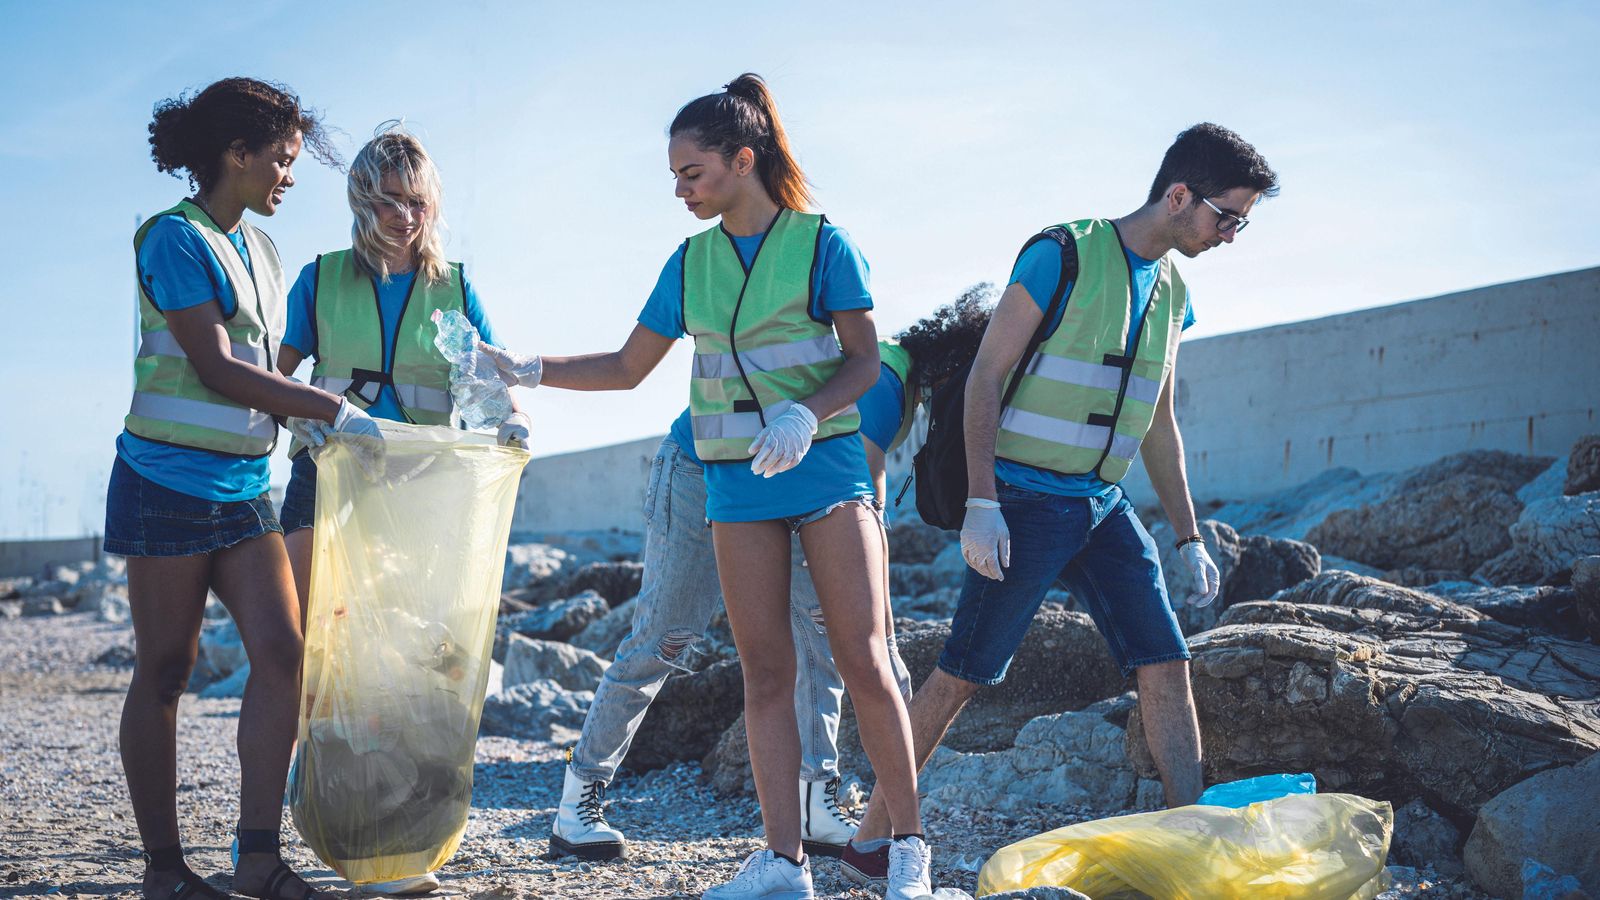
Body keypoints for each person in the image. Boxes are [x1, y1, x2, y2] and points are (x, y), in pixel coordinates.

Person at [483, 73, 933, 900]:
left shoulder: (825, 242)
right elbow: (626, 368)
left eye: (692, 173)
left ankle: (907, 852)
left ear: (742, 159)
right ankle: (784, 864)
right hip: (735, 482)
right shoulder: (689, 264)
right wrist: (530, 368)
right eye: (675, 177)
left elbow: (865, 362)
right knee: (765, 673)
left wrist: (805, 413)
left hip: (826, 467)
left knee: (864, 659)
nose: (681, 190)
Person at [842, 123, 1280, 886]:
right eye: (1226, 216)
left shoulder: (1175, 292)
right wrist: (984, 503)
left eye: (1241, 221)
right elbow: (983, 378)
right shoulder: (1063, 254)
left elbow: (1159, 421)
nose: (1232, 234)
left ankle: (1193, 837)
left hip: (1104, 510)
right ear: (1178, 195)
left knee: (1166, 658)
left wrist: (1187, 536)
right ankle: (871, 838)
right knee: (961, 676)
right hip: (1021, 501)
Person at [544, 293, 989, 866]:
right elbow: (866, 501)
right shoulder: (883, 383)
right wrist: (884, 637)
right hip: (702, 470)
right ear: (957, 371)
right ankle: (577, 803)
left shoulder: (902, 388)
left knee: (827, 640)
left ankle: (814, 804)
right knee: (663, 640)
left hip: (794, 494)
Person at [109, 77, 379, 900]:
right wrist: (331, 407)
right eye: (281, 161)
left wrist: (311, 426)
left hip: (243, 488)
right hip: (164, 482)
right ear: (237, 155)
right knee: (165, 670)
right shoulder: (171, 238)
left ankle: (257, 857)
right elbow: (217, 369)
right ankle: (164, 871)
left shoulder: (259, 249)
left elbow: (262, 372)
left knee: (284, 652)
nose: (288, 177)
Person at [268, 122, 525, 896]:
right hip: (329, 481)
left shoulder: (456, 287)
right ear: (360, 202)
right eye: (385, 202)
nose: (402, 217)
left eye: (414, 201)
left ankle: (397, 835)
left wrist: (508, 418)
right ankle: (328, 802)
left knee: (412, 657)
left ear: (432, 203)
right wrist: (305, 417)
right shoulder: (320, 280)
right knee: (319, 647)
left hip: (421, 494)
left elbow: (488, 381)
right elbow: (274, 380)